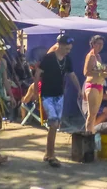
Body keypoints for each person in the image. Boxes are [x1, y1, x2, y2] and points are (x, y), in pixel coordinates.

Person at [33, 34, 82, 167]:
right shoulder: (48, 58)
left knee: (55, 126)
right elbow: (37, 73)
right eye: (66, 48)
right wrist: (35, 92)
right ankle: (51, 155)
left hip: (59, 95)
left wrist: (79, 89)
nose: (68, 51)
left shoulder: (67, 60)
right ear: (59, 45)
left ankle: (48, 154)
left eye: (69, 49)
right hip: (47, 95)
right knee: (53, 123)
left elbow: (72, 75)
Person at [83, 35, 107, 134]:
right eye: (98, 44)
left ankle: (92, 132)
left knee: (95, 113)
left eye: (102, 44)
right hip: (92, 85)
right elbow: (86, 72)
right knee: (91, 114)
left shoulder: (98, 56)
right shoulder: (90, 56)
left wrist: (104, 73)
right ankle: (88, 134)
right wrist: (99, 73)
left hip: (99, 85)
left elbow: (100, 70)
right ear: (93, 44)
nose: (100, 46)